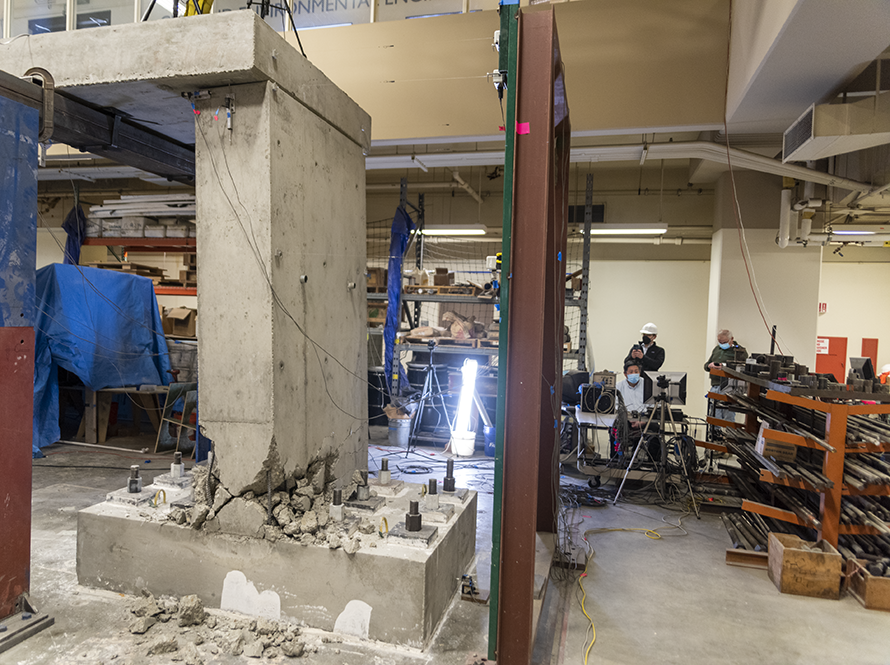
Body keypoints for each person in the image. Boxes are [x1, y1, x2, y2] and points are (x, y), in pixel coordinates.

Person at [704, 329, 748, 424]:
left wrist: (724, 367)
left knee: (728, 415)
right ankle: (716, 434)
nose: (722, 344)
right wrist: (709, 365)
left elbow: (743, 369)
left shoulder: (739, 351)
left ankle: (727, 435)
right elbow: (706, 365)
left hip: (730, 387)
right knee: (715, 415)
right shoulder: (716, 349)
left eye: (724, 342)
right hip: (715, 386)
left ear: (731, 339)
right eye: (720, 342)